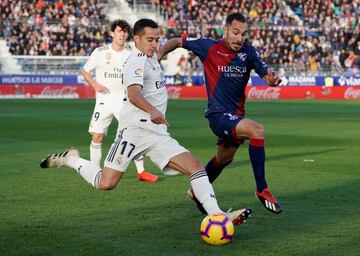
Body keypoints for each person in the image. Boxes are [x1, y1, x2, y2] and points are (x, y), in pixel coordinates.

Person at [39, 18, 251, 225]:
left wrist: (171, 46)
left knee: (195, 167)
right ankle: (71, 159)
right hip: (133, 131)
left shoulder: (152, 58)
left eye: (157, 39)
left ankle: (218, 215)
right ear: (137, 40)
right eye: (150, 39)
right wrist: (153, 111)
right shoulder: (136, 61)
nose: (155, 44)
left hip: (157, 133)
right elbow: (133, 94)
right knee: (106, 183)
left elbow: (165, 48)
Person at [158, 12, 283, 214]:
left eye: (243, 34)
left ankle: (196, 192)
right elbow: (177, 41)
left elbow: (264, 72)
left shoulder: (248, 51)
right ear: (225, 30)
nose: (239, 38)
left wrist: (269, 79)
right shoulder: (209, 46)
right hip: (218, 115)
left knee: (224, 159)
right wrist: (159, 54)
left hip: (236, 116)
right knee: (257, 131)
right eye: (235, 32)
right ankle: (262, 189)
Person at [81, 19, 158, 182]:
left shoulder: (131, 53)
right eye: (119, 31)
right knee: (97, 136)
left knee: (133, 133)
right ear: (112, 33)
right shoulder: (100, 52)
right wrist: (94, 84)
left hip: (124, 101)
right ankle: (95, 171)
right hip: (103, 100)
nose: (122, 34)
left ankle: (141, 172)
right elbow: (85, 70)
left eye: (125, 31)